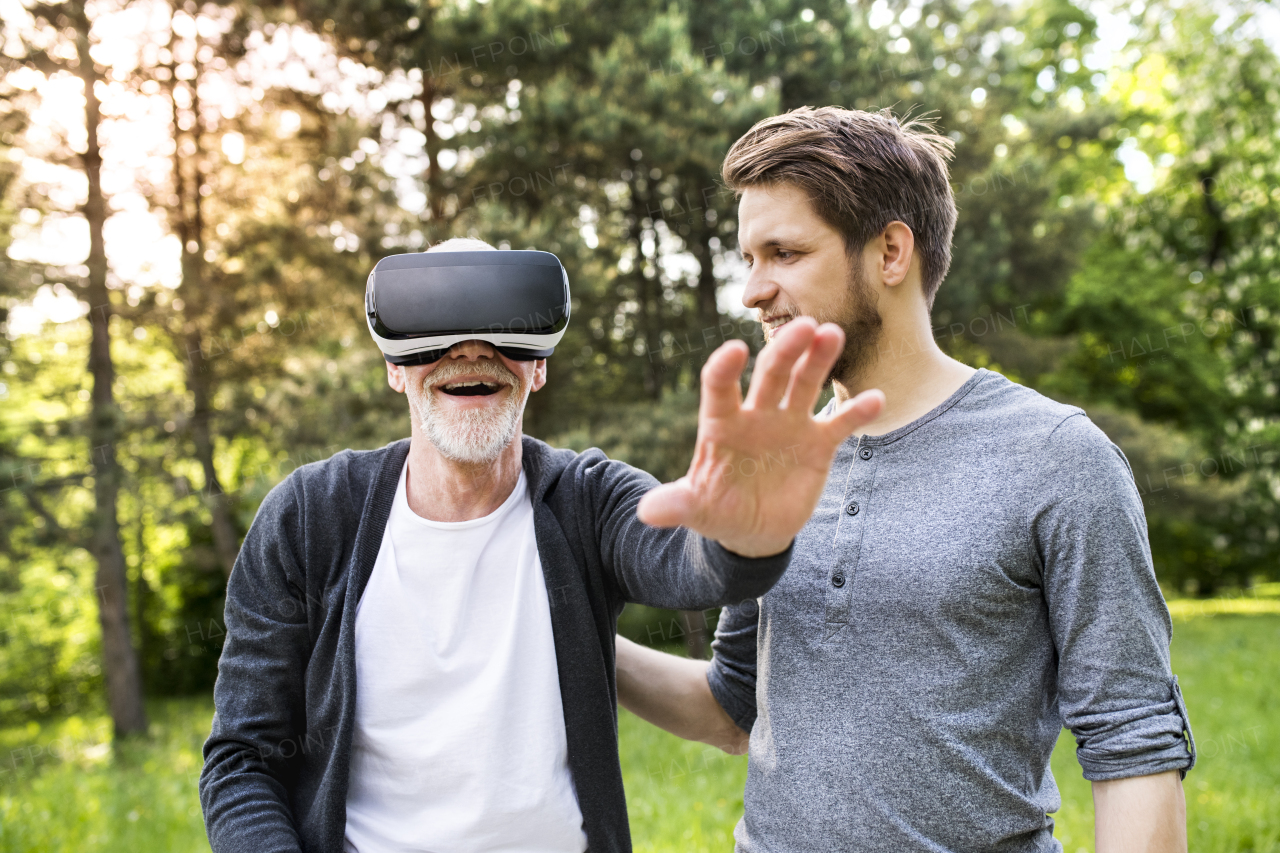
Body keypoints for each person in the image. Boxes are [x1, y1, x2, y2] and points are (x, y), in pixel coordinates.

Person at [615, 107, 1196, 853]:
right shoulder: (772, 463)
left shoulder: (1056, 456)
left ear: (891, 251)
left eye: (783, 253)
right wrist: (575, 634)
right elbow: (735, 705)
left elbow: (1133, 737)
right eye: (748, 259)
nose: (753, 291)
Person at [198, 236, 886, 853]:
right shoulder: (311, 518)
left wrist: (746, 533)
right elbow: (243, 757)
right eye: (435, 328)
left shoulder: (584, 498)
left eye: (503, 329)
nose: (470, 351)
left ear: (538, 368)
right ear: (395, 368)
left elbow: (686, 562)